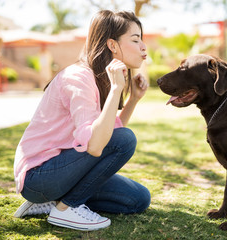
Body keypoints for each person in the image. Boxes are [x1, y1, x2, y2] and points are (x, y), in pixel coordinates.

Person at [13, 10, 150, 231]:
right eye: (135, 39)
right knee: (126, 139)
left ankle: (55, 202)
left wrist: (133, 99)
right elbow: (97, 146)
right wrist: (116, 90)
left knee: (138, 198)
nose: (144, 46)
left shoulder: (99, 77)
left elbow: (108, 133)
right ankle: (67, 208)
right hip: (38, 177)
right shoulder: (78, 77)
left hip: (65, 169)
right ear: (113, 45)